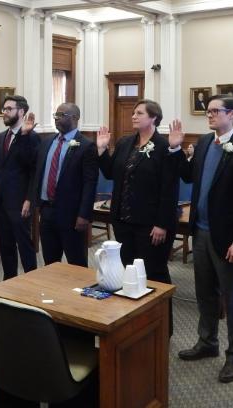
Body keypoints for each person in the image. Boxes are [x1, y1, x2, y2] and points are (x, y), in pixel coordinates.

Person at [169, 94, 233, 384]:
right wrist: (175, 148)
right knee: (204, 291)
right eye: (207, 111)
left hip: (228, 237)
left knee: (232, 296)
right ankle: (207, 342)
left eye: (215, 111)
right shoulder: (206, 142)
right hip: (200, 230)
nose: (209, 115)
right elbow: (188, 177)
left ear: (232, 114)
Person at [96, 99, 179, 302]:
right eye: (133, 113)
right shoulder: (125, 143)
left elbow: (169, 188)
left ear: (154, 118)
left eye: (139, 113)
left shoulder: (163, 146)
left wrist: (162, 223)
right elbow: (110, 173)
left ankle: (162, 319)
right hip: (123, 220)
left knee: (154, 273)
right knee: (128, 270)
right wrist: (101, 150)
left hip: (151, 224)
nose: (133, 116)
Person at [0, 95, 40, 280]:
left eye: (9, 109)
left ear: (21, 111)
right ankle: (9, 281)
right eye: (4, 109)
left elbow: (34, 170)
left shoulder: (32, 137)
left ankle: (31, 282)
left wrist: (29, 199)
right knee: (6, 245)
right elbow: (0, 166)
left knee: (24, 245)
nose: (4, 112)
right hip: (1, 200)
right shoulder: (2, 136)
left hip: (20, 201)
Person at [30, 103, 97, 267]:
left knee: (77, 264)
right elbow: (32, 168)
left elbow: (90, 183)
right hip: (47, 210)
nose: (56, 118)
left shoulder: (86, 145)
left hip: (71, 214)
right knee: (50, 263)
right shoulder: (47, 142)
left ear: (75, 118)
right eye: (56, 115)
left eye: (61, 115)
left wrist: (84, 215)